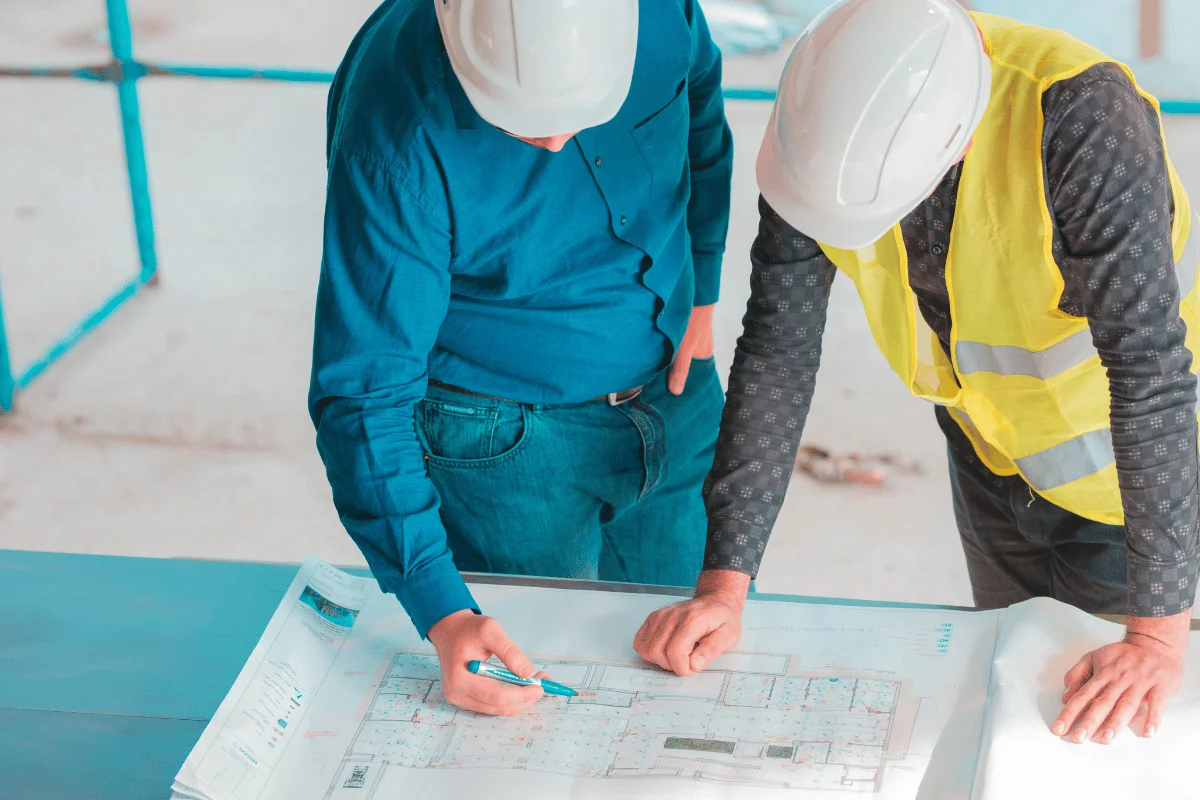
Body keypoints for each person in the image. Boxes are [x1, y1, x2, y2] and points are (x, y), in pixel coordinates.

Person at [635, 0, 1200, 746]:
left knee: (1097, 737)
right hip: (990, 462)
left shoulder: (1081, 115)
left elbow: (1149, 374)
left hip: (1132, 488)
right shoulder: (825, 108)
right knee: (1011, 688)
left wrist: (1159, 635)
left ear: (957, 140)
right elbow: (778, 349)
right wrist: (724, 588)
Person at [310, 0, 733, 717]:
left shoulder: (662, 15)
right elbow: (364, 394)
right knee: (545, 695)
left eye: (582, 108)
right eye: (515, 118)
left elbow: (700, 122)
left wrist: (702, 286)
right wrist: (442, 610)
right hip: (503, 447)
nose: (552, 136)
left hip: (677, 391)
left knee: (680, 670)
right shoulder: (394, 127)